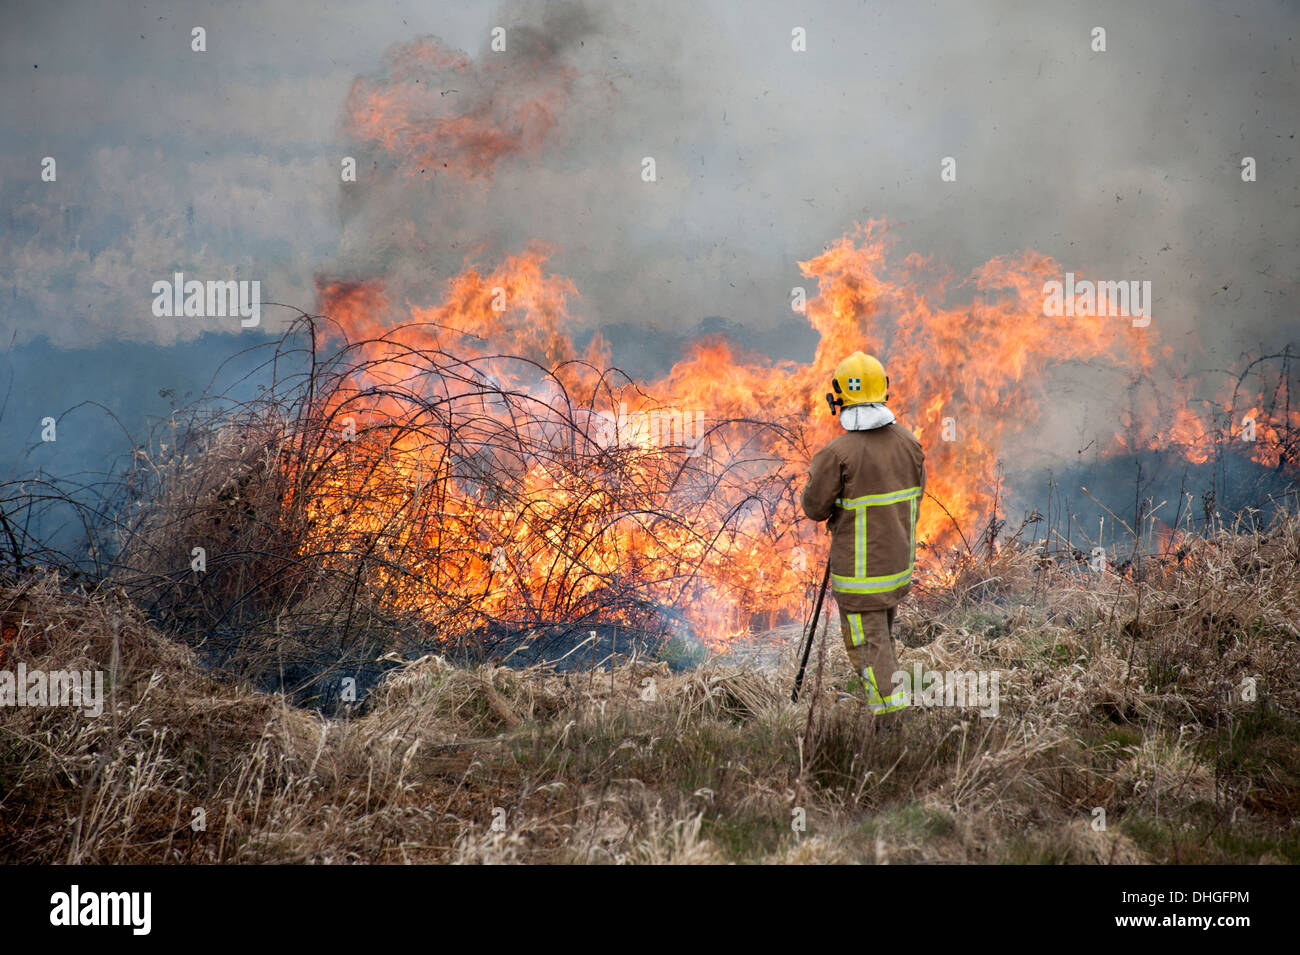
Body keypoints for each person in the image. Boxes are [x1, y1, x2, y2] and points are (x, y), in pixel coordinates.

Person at [799, 351, 925, 723]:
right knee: (882, 639)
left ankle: (890, 725)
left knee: (868, 650)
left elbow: (814, 507)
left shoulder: (837, 454)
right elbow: (914, 493)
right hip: (896, 567)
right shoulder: (908, 442)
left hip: (860, 577)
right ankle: (893, 709)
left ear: (838, 398)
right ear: (883, 392)